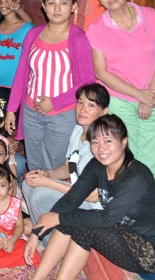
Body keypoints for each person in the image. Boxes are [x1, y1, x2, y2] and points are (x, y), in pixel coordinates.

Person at [25, 115, 155, 279]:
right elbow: (71, 199)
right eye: (95, 142)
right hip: (121, 234)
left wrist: (58, 218)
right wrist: (35, 234)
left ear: (123, 142)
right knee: (72, 218)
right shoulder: (97, 165)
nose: (101, 148)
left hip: (151, 255)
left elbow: (106, 219)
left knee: (82, 224)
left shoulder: (136, 178)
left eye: (108, 141)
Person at [86, 0, 155, 190]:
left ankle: (150, 208)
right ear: (99, 0)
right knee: (123, 158)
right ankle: (125, 208)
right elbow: (101, 72)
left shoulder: (151, 16)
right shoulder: (96, 29)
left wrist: (149, 96)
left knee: (151, 159)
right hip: (121, 102)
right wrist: (138, 95)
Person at [5, 0, 95, 171]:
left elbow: (87, 82)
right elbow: (22, 73)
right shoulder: (33, 35)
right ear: (44, 7)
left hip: (62, 115)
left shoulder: (79, 39)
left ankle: (52, 200)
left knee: (55, 166)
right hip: (31, 112)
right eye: (52, 3)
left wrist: (55, 102)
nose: (57, 8)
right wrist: (12, 109)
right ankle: (36, 200)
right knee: (35, 163)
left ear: (73, 7)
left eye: (63, 3)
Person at [23, 83, 109, 243]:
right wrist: (47, 174)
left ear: (104, 111)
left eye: (91, 105)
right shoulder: (77, 129)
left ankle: (50, 245)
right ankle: (46, 235)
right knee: (29, 184)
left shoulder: (102, 143)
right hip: (77, 195)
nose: (83, 109)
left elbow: (93, 196)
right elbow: (67, 167)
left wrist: (48, 182)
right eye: (80, 102)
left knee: (40, 195)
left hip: (94, 207)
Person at [0, 0, 34, 106]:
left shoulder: (26, 28)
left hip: (16, 85)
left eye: (7, 0)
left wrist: (19, 10)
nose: (2, 4)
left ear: (16, 2)